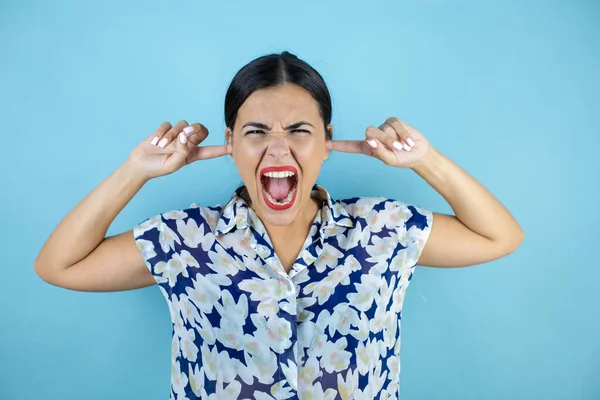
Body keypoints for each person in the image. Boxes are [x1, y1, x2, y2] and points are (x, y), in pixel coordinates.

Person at [34, 51, 524, 400]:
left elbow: (500, 235)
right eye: (255, 132)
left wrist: (425, 160)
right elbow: (58, 265)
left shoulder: (382, 229)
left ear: (327, 140)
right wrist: (135, 171)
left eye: (299, 131)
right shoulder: (184, 241)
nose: (277, 148)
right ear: (230, 142)